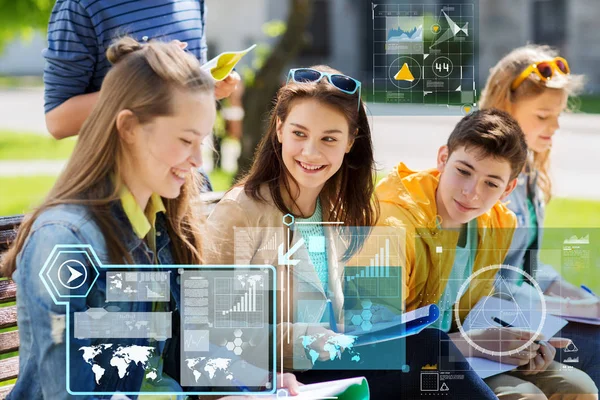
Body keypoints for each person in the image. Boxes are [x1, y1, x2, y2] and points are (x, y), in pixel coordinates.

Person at [1, 37, 294, 400]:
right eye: (186, 140)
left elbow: (187, 351)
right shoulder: (64, 241)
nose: (197, 162)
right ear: (128, 128)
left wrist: (264, 381)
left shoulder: (165, 222)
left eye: (201, 141)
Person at [204, 65, 499, 399]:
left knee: (427, 354)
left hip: (328, 370)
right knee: (428, 350)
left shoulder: (336, 207)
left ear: (350, 142)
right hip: (272, 382)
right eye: (299, 134)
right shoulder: (240, 212)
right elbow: (210, 333)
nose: (311, 152)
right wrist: (305, 340)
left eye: (329, 138)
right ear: (279, 129)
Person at [375, 108, 598, 399]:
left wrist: (522, 344)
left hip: (465, 352)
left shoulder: (495, 224)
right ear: (443, 159)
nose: (472, 192)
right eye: (463, 171)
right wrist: (474, 343)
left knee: (578, 388)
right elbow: (375, 342)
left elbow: (473, 310)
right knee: (525, 397)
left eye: (491, 183)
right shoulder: (390, 225)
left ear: (508, 189)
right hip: (412, 366)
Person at [480, 45, 600, 390]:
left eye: (559, 115)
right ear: (506, 110)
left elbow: (528, 267)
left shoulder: (530, 173)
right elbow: (485, 281)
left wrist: (580, 298)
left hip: (527, 312)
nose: (556, 126)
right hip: (493, 323)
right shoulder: (483, 183)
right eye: (543, 116)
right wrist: (561, 304)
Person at [43, 0, 240, 140]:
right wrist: (147, 79)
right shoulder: (81, 5)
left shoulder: (193, 3)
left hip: (190, 181)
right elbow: (59, 122)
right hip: (119, 187)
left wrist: (208, 88)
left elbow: (182, 94)